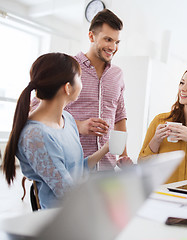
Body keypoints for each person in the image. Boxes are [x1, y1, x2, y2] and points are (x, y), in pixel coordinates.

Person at [3, 53, 110, 209]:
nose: (82, 83)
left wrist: (107, 148)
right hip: (59, 220)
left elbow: (78, 170)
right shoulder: (34, 136)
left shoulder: (67, 118)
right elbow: (67, 191)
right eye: (79, 77)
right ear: (67, 87)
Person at [30, 9, 132, 170]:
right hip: (70, 166)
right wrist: (78, 125)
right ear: (91, 36)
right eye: (108, 39)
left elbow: (119, 116)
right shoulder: (67, 68)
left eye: (117, 42)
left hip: (107, 167)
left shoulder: (117, 75)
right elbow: (35, 110)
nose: (113, 47)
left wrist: (123, 155)